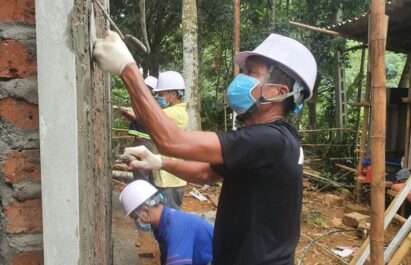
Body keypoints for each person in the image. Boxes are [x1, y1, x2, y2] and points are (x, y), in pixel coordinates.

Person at [94, 31, 317, 265]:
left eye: (251, 72)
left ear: (279, 92)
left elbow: (172, 141)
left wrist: (127, 69)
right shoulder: (275, 140)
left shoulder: (269, 140)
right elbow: (206, 173)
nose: (241, 78)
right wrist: (160, 162)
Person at [119, 179, 213, 265]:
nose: (137, 222)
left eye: (136, 218)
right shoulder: (161, 225)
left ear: (145, 211)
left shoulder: (176, 228)